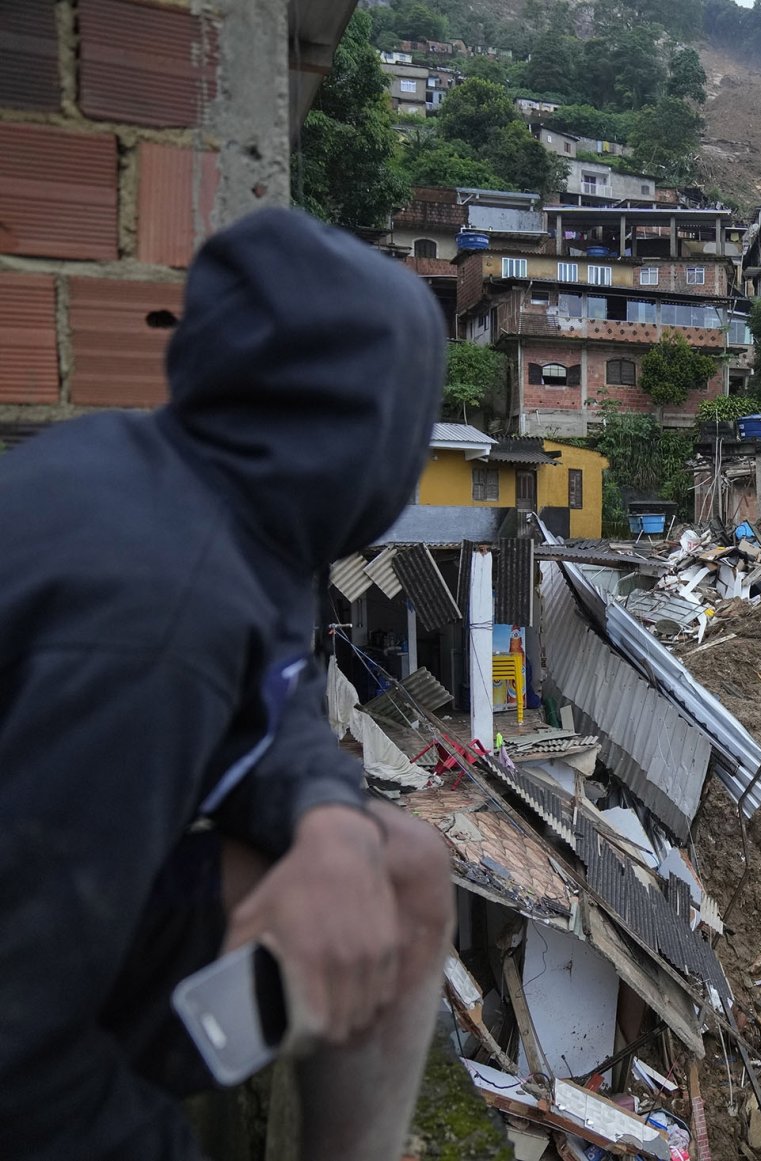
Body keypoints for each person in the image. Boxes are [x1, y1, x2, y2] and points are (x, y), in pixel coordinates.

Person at [0, 209, 454, 1160]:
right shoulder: (157, 625)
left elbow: (276, 691)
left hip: (70, 920)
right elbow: (16, 1045)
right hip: (31, 1008)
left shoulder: (207, 495)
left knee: (402, 871)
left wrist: (326, 818)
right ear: (373, 431)